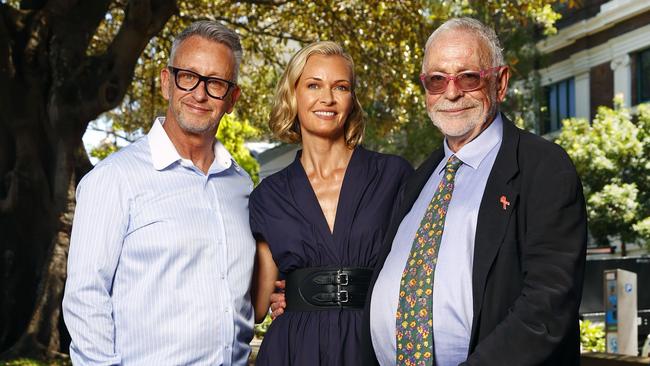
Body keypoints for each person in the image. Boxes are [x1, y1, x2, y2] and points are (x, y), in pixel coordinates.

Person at [361, 18, 587, 365]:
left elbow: (547, 306)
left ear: (500, 82)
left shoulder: (543, 168)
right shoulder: (419, 179)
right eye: (437, 80)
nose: (451, 93)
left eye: (468, 77)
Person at [62, 21, 255, 365]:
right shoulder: (114, 179)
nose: (199, 93)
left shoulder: (241, 187)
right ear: (167, 82)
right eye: (188, 76)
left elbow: (240, 294)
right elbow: (85, 299)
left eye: (215, 83)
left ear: (232, 98)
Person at [249, 41, 413, 365]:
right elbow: (256, 306)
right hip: (293, 349)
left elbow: (419, 270)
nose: (327, 98)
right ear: (293, 94)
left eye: (341, 87)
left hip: (372, 343)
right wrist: (294, 294)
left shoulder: (393, 176)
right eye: (313, 85)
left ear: (352, 100)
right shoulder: (268, 196)